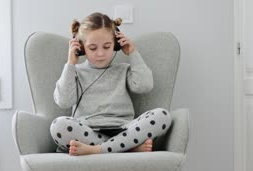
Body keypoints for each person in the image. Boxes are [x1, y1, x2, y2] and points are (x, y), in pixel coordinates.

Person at [50, 12, 171, 156]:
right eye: (93, 48)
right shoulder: (75, 72)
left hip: (125, 128)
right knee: (58, 126)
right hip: (89, 129)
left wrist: (133, 52)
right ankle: (127, 147)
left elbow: (145, 86)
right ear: (81, 48)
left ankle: (97, 150)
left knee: (162, 115)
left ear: (116, 45)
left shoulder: (123, 69)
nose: (100, 53)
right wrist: (70, 63)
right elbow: (64, 101)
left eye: (106, 47)